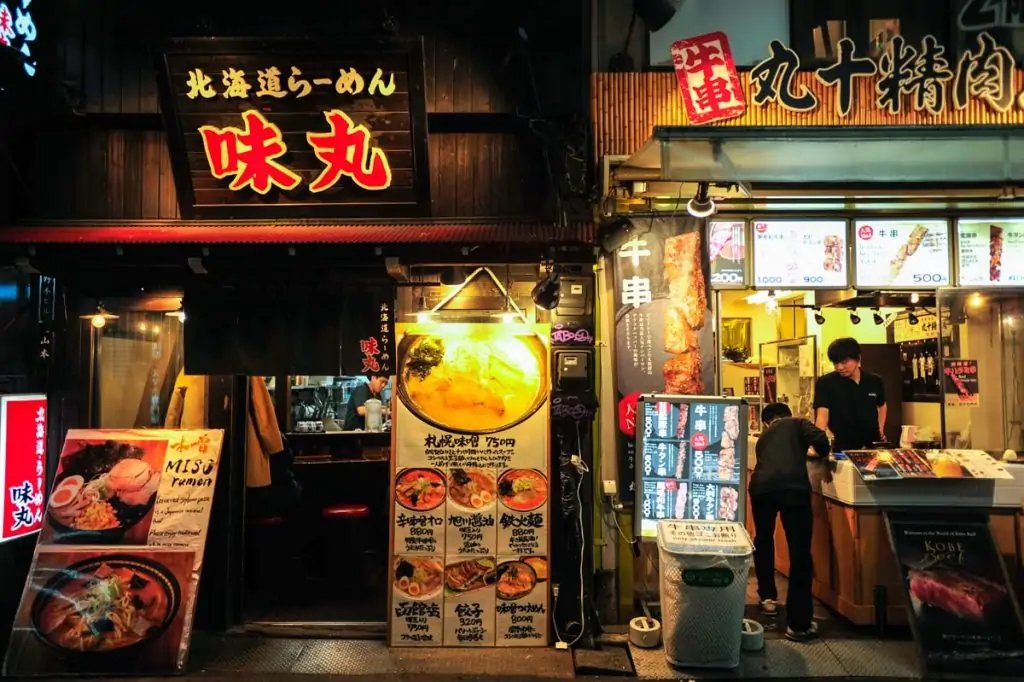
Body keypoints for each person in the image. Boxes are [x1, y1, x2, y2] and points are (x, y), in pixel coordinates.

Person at [750, 401, 830, 641]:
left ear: (767, 422)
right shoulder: (798, 423)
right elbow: (822, 441)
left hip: (761, 489)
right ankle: (799, 624)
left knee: (763, 539)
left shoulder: (764, 438)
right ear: (787, 415)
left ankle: (767, 599)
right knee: (800, 553)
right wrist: (817, 451)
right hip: (793, 489)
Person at [813, 337, 888, 452]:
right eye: (835, 363)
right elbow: (822, 416)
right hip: (844, 447)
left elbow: (882, 405)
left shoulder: (874, 381)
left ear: (858, 358)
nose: (839, 367)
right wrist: (817, 444)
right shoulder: (826, 383)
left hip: (872, 446)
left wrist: (881, 429)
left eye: (844, 362)